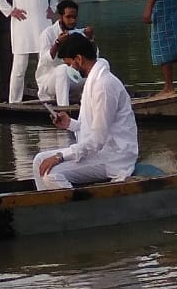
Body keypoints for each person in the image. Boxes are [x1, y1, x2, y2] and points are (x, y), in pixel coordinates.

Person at [33, 33, 138, 190]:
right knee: (39, 161)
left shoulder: (104, 86)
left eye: (70, 65)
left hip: (114, 156)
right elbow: (93, 126)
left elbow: (97, 139)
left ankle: (76, 210)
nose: (70, 69)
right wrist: (70, 124)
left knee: (51, 173)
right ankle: (46, 206)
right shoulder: (93, 81)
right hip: (100, 149)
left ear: (79, 59)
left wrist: (60, 157)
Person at [36, 0, 91, 106]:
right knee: (63, 70)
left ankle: (90, 107)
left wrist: (90, 40)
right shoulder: (48, 34)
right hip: (49, 82)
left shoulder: (79, 33)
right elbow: (45, 61)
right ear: (60, 17)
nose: (72, 21)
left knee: (101, 64)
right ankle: (64, 109)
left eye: (74, 17)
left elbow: (91, 59)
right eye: (68, 17)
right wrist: (57, 43)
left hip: (73, 79)